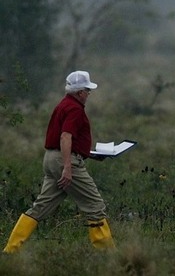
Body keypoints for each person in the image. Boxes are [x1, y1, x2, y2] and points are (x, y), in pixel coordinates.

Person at [3, 71, 115, 253]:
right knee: (95, 206)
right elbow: (65, 137)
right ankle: (107, 255)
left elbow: (64, 139)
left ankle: (10, 250)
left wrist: (89, 154)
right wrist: (68, 167)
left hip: (51, 159)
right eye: (87, 90)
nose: (89, 94)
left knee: (40, 207)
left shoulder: (63, 105)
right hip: (65, 161)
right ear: (79, 92)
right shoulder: (75, 109)